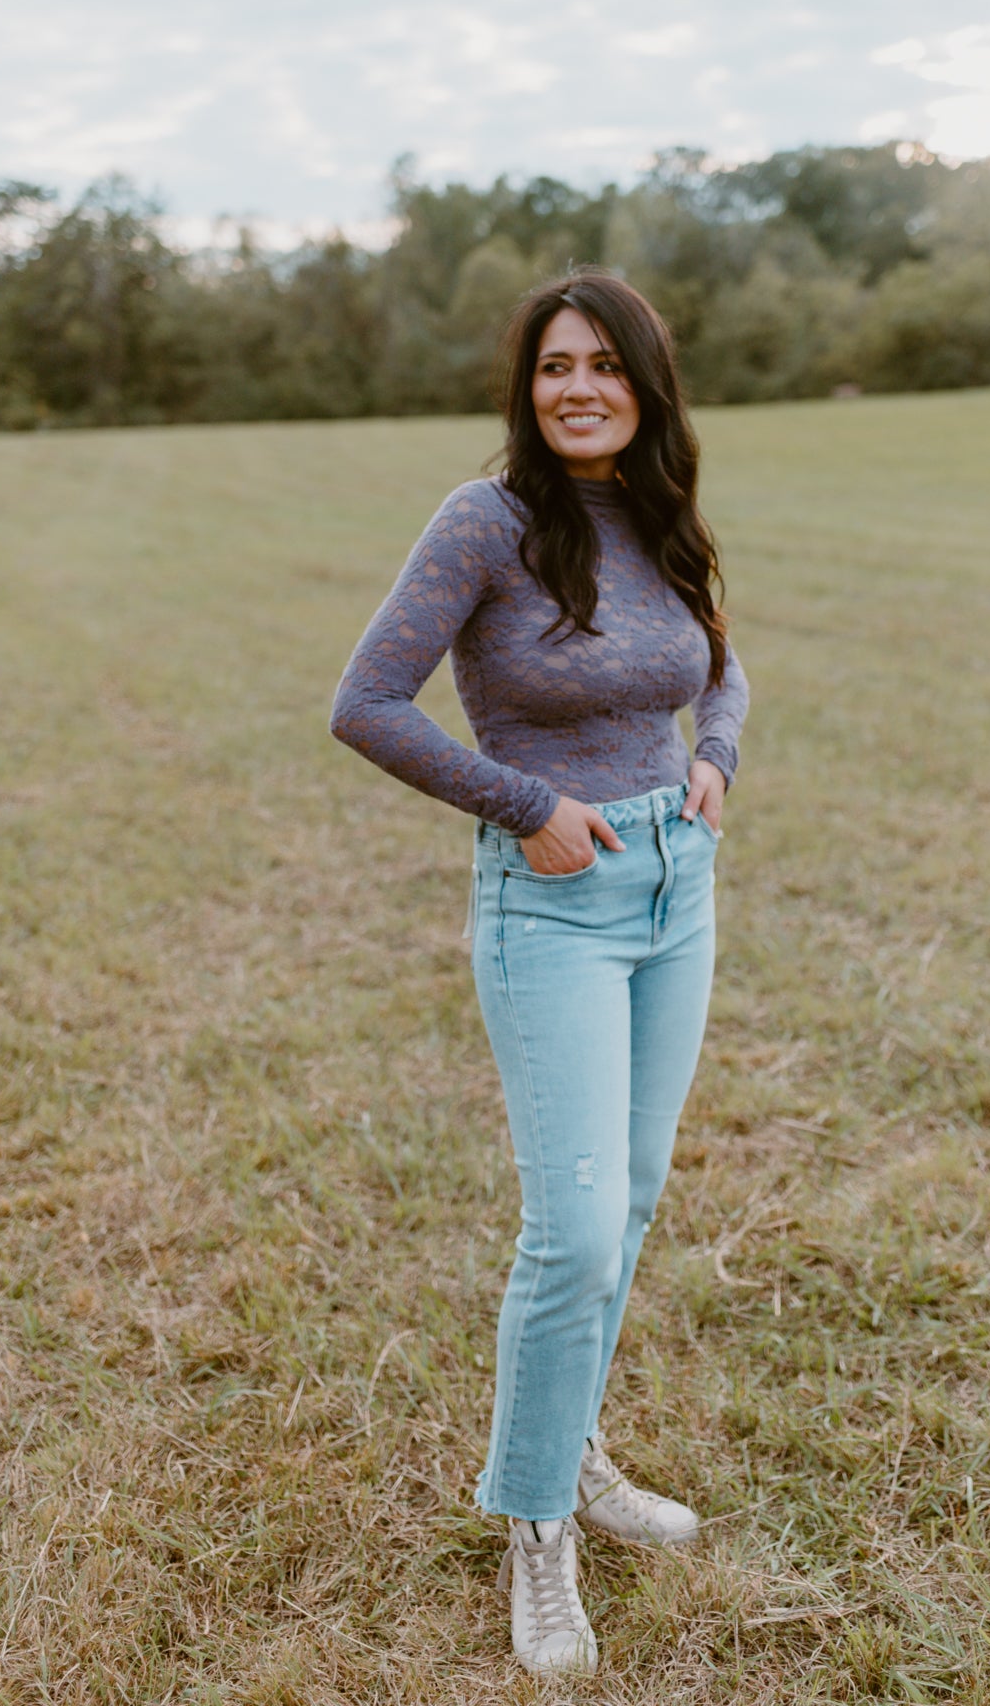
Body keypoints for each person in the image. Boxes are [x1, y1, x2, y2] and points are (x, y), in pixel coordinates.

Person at [329, 269, 749, 1674]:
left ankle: (573, 1458)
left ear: (644, 384)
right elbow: (365, 704)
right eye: (555, 367)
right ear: (529, 387)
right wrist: (521, 802)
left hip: (675, 886)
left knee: (626, 1206)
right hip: (552, 898)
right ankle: (536, 1530)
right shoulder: (486, 524)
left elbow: (722, 667)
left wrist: (712, 760)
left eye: (605, 367)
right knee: (569, 1230)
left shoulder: (665, 512)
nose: (578, 388)